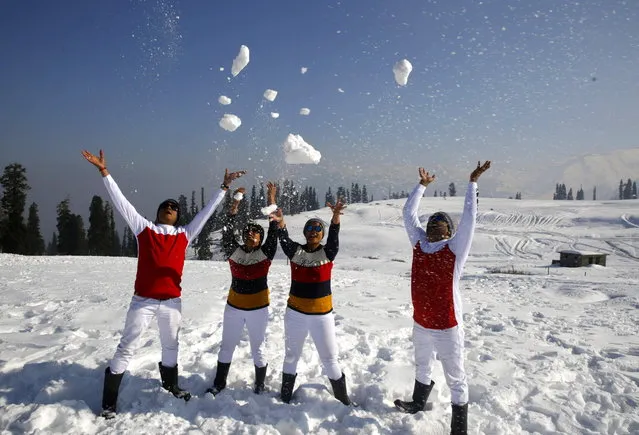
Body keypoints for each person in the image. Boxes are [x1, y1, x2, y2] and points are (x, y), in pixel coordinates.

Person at [81, 149, 245, 419]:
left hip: (171, 302)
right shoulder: (143, 229)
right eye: (165, 206)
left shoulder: (184, 234)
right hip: (143, 301)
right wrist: (104, 172)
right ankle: (109, 403)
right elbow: (121, 202)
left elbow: (206, 213)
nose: (170, 208)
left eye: (174, 208)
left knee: (171, 346)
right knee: (127, 347)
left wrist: (224, 187)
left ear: (178, 216)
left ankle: (171, 385)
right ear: (158, 213)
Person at [394, 161, 491, 435]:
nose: (436, 226)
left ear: (450, 230)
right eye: (432, 223)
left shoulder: (455, 249)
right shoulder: (419, 244)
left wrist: (472, 184)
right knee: (422, 365)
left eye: (441, 223)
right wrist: (421, 186)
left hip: (448, 326)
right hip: (422, 322)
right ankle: (417, 402)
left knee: (455, 377)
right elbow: (407, 213)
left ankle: (459, 428)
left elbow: (470, 218)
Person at [269, 199, 352, 406]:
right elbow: (284, 238)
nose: (313, 231)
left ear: (322, 235)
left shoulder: (328, 252)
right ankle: (285, 397)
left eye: (318, 229)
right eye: (310, 228)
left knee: (330, 359)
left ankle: (343, 400)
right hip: (295, 314)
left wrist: (335, 217)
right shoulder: (296, 252)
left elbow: (334, 236)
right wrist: (280, 222)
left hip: (322, 316)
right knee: (291, 357)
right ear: (305, 233)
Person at [206, 182, 278, 396]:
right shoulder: (233, 250)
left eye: (256, 233)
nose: (251, 234)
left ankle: (260, 384)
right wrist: (235, 202)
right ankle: (219, 383)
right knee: (226, 346)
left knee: (258, 348)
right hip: (234, 308)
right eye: (248, 232)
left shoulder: (266, 253)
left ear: (261, 239)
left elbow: (273, 227)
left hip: (258, 309)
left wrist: (271, 199)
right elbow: (228, 227)